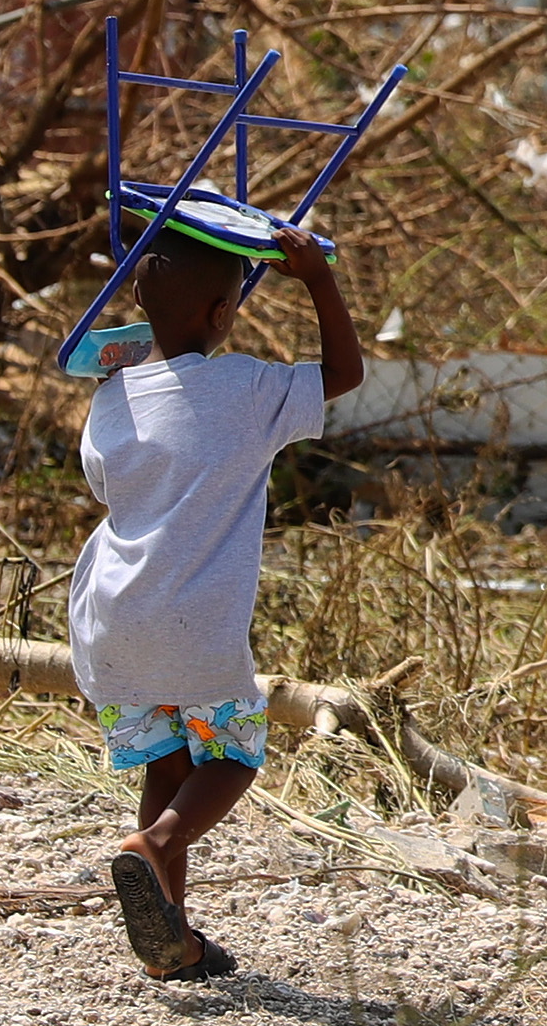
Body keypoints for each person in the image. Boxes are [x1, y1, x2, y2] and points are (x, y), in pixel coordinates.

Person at [68, 214, 362, 978]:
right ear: (223, 313)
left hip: (112, 618)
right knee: (233, 752)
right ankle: (155, 845)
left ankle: (173, 943)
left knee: (166, 767)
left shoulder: (111, 400)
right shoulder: (246, 386)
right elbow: (343, 373)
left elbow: (104, 483)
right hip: (194, 621)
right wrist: (320, 281)